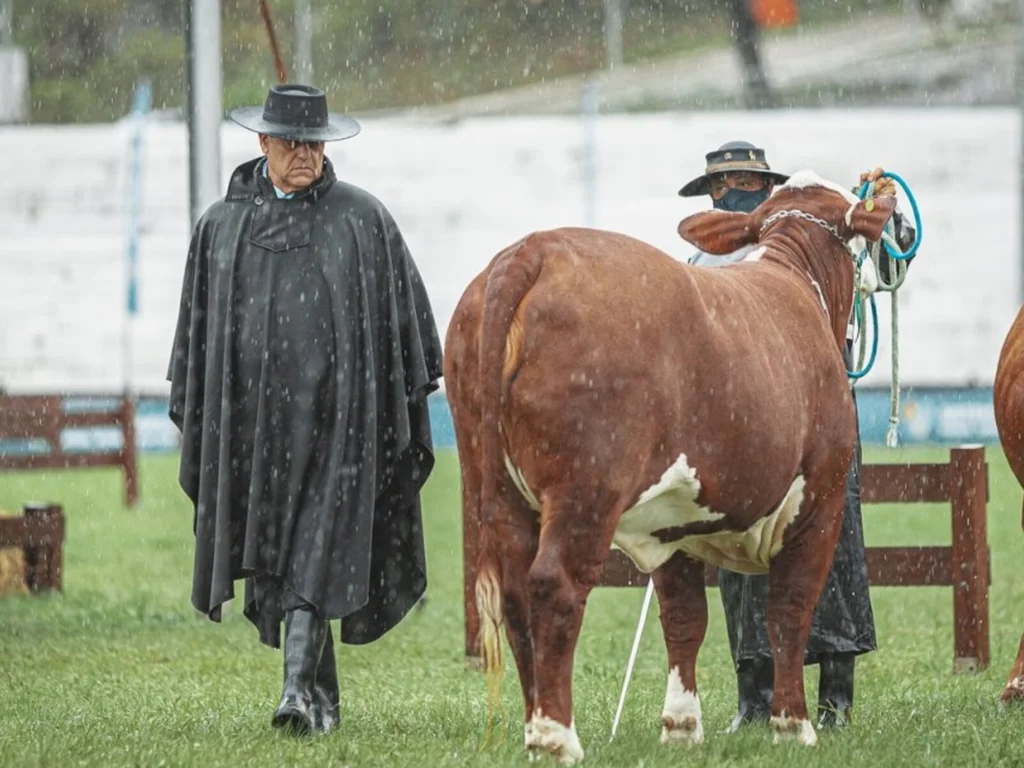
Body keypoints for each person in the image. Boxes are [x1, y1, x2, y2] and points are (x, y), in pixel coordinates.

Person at [167, 84, 444, 736]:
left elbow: (404, 330)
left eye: (315, 144)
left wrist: (382, 401)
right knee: (278, 553)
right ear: (263, 142)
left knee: (320, 545)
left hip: (343, 429)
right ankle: (323, 703)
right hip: (253, 433)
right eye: (292, 143)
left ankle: (295, 692)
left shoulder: (361, 220)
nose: (305, 155)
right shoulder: (221, 228)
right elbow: (199, 342)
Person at [677, 140, 917, 730]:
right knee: (738, 555)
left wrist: (887, 210)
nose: (729, 193)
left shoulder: (824, 229)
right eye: (719, 186)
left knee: (832, 542)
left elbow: (892, 263)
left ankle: (836, 696)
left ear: (768, 187)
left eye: (742, 182)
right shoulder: (700, 262)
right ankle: (755, 698)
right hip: (740, 417)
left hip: (821, 405)